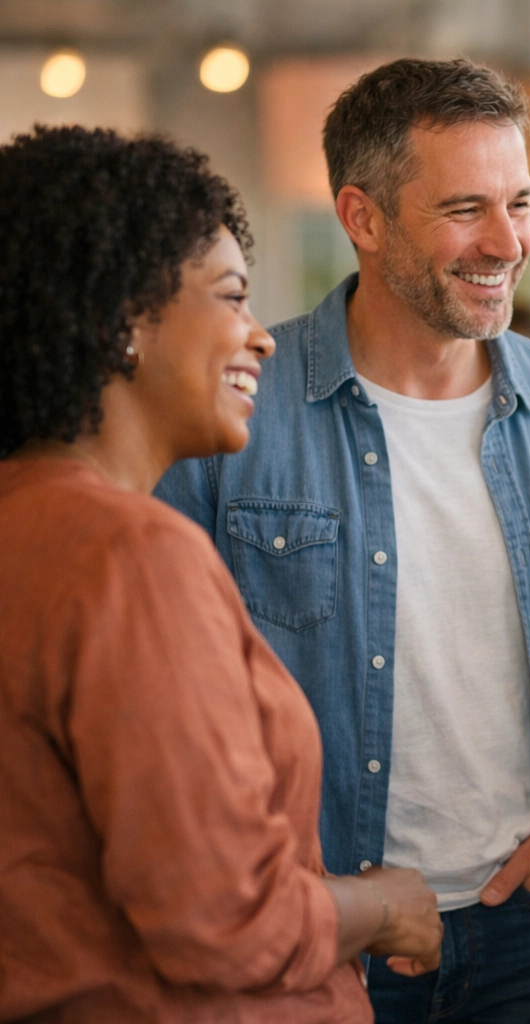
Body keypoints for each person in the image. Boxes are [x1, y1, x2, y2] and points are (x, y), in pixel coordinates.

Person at [156, 59, 530, 1024]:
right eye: (465, 209)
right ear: (362, 217)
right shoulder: (237, 412)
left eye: (519, 203)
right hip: (319, 928)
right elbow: (170, 690)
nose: (508, 242)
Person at [0, 126, 442, 1023]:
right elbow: (224, 921)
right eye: (232, 296)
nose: (260, 337)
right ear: (123, 320)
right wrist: (386, 906)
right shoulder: (131, 555)